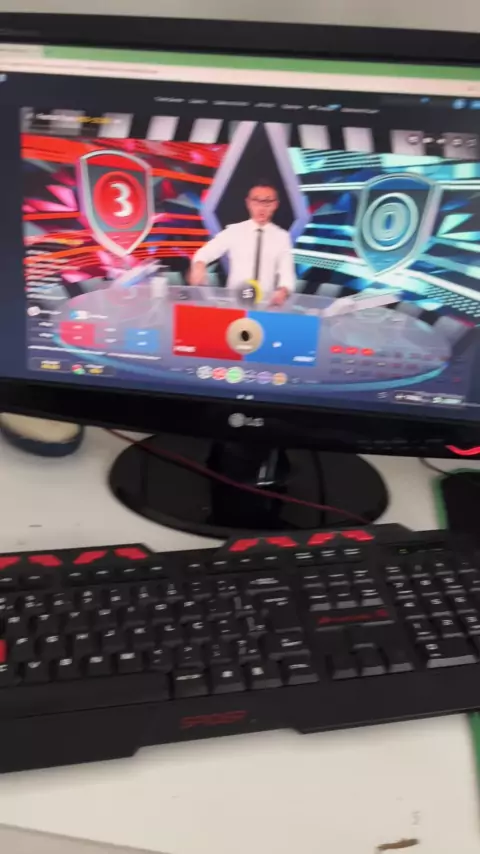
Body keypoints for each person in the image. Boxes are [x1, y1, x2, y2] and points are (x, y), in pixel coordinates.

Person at [189, 182, 296, 306]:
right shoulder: (234, 231)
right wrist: (199, 265)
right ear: (248, 203)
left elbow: (287, 273)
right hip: (235, 303)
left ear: (275, 204)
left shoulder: (282, 237)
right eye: (256, 201)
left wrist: (283, 291)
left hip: (265, 304)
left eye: (267, 202)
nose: (261, 207)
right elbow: (206, 252)